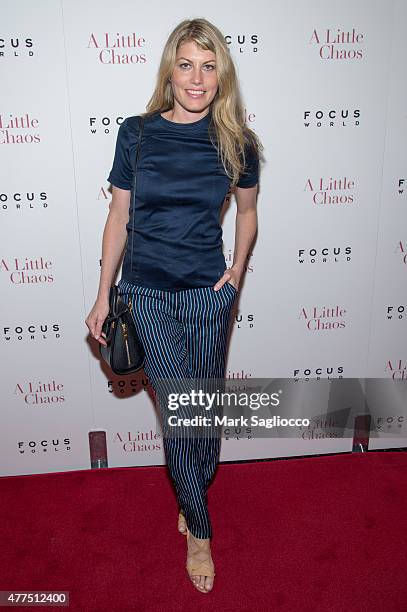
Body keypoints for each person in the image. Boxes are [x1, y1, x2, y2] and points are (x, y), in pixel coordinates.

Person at [85, 17, 262, 593]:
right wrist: (103, 292)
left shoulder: (238, 142)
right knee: (182, 412)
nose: (197, 77)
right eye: (186, 64)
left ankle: (192, 486)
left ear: (222, 76)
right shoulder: (135, 134)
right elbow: (118, 217)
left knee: (202, 414)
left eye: (209, 67)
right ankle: (200, 531)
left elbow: (249, 214)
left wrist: (235, 272)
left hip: (208, 297)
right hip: (146, 292)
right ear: (170, 69)